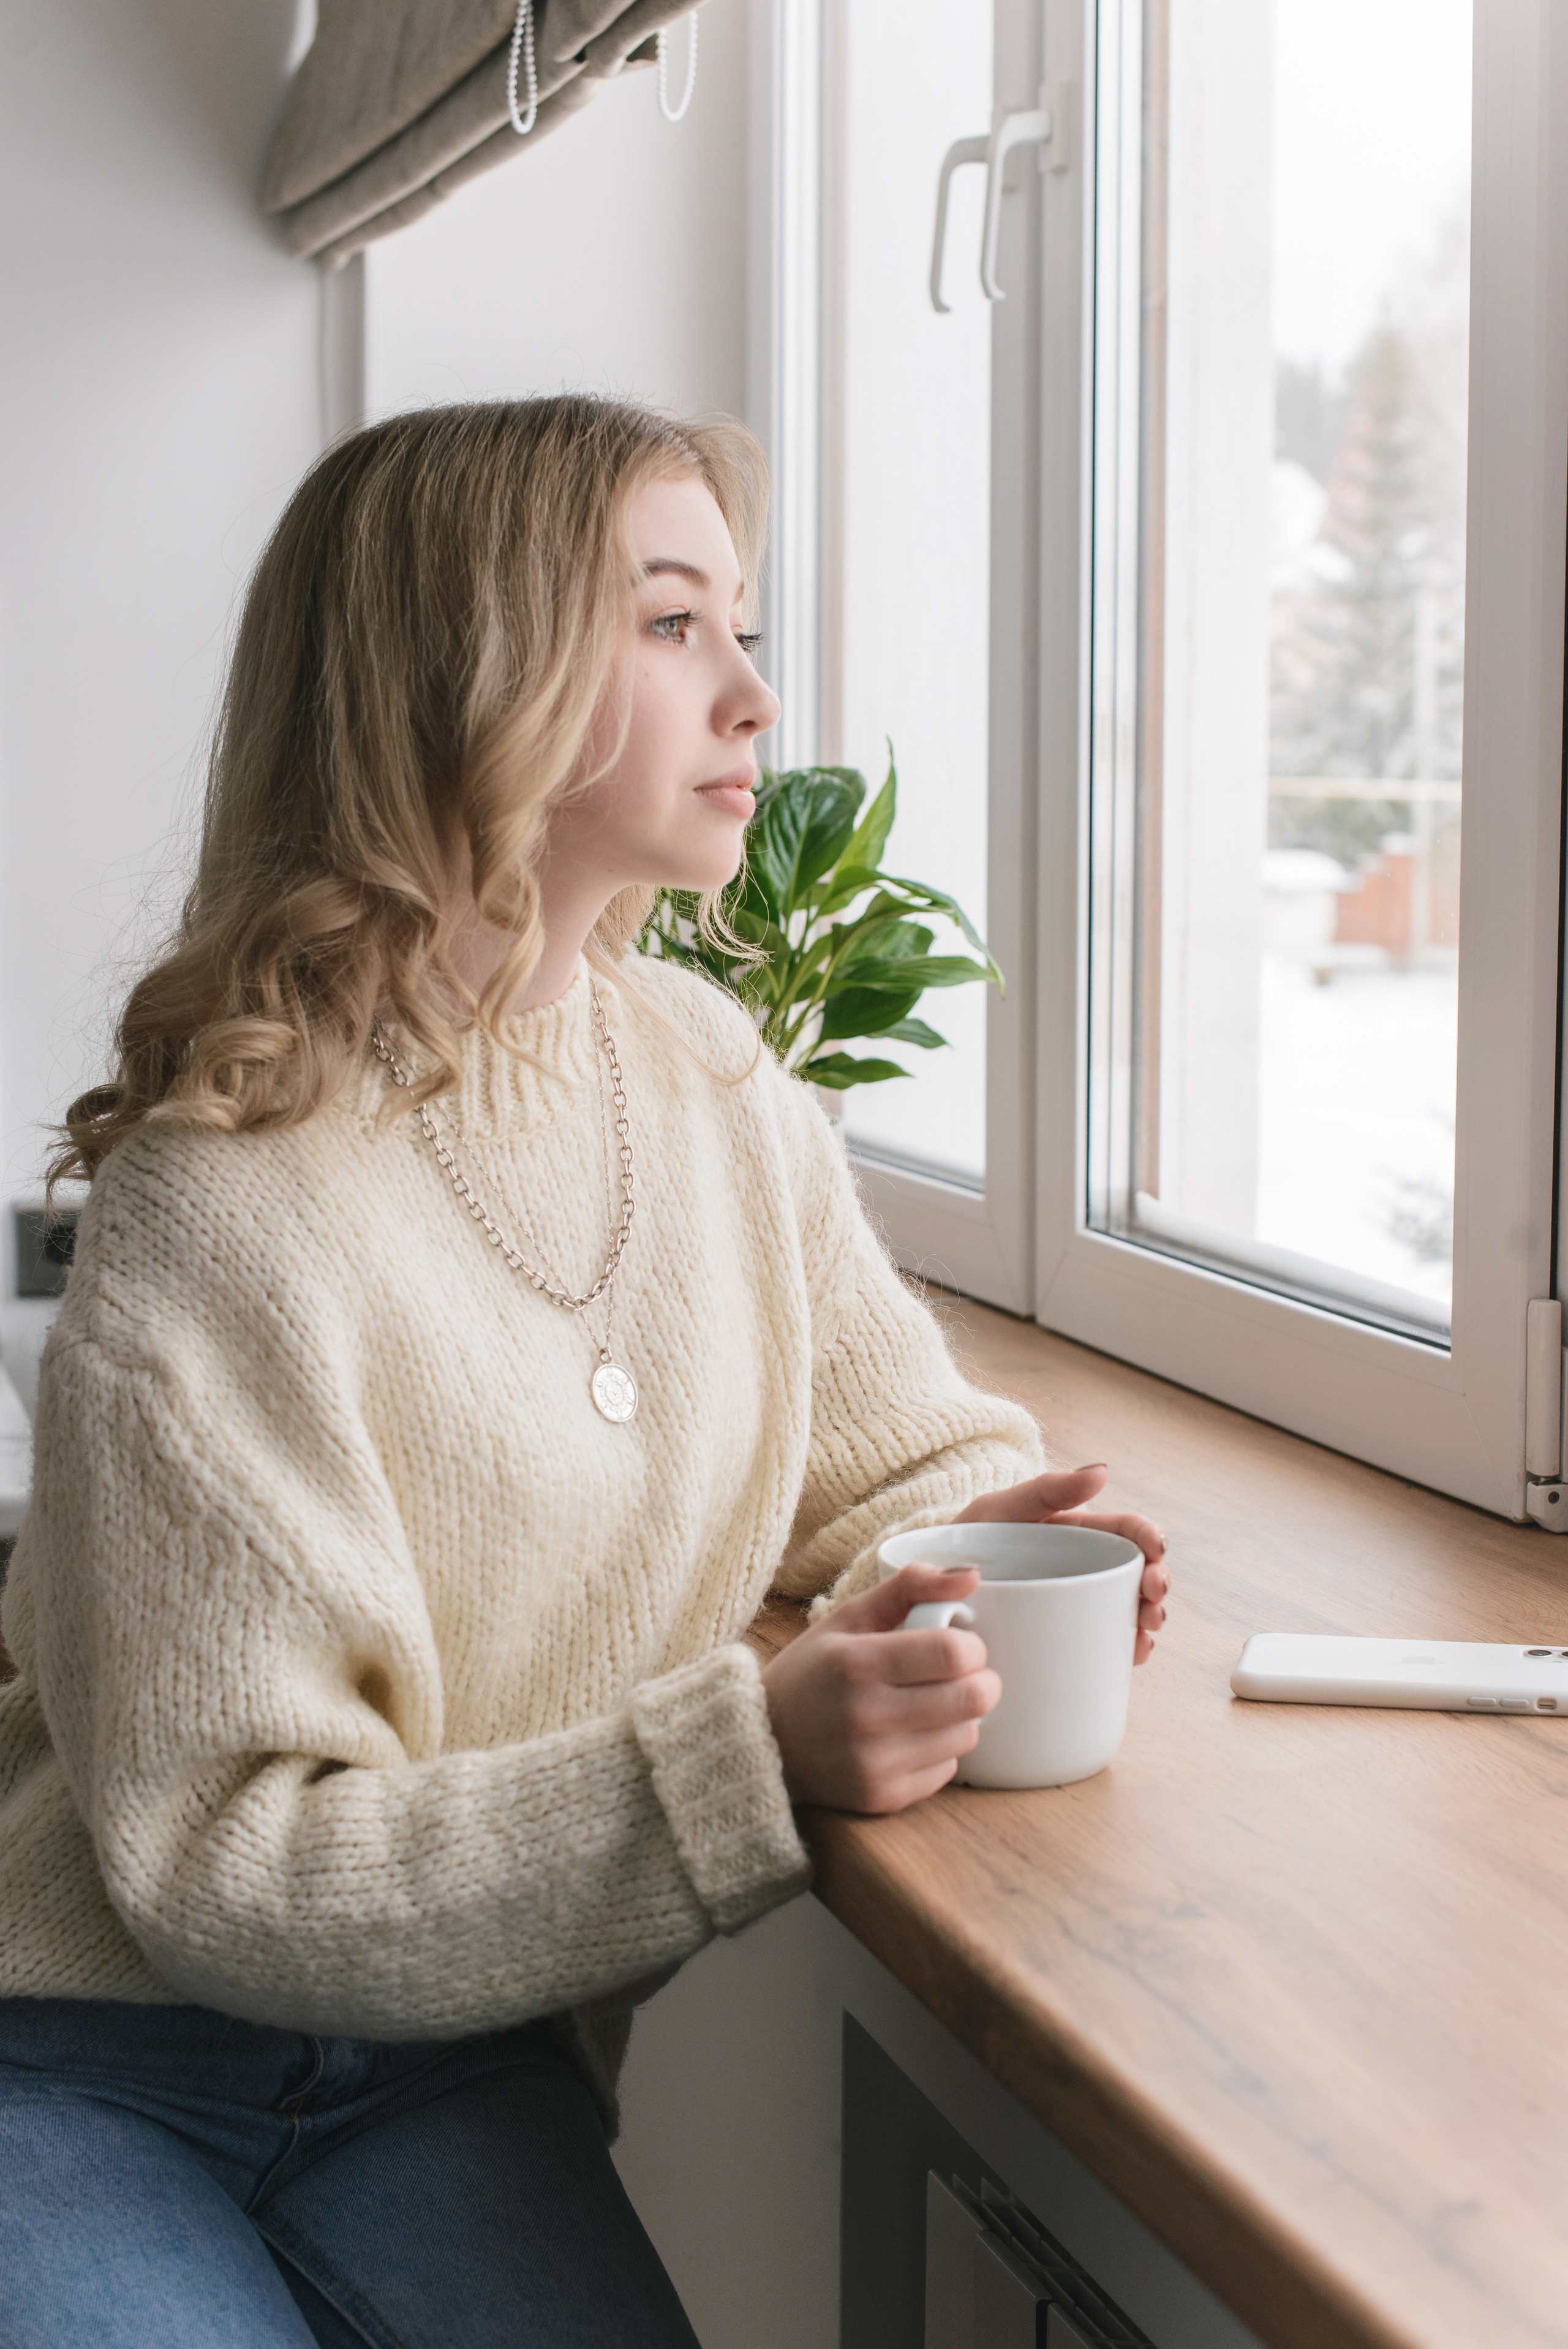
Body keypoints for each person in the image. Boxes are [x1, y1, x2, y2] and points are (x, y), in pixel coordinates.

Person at [0, 396, 1169, 2348]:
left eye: (748, 624)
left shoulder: (709, 1072)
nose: (757, 699)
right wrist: (749, 1763)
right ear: (467, 674)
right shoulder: (217, 1212)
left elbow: (884, 1451)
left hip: (451, 2061)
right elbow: (222, 1860)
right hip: (89, 2054)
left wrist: (1014, 1535)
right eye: (673, 623)